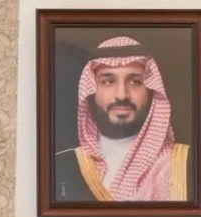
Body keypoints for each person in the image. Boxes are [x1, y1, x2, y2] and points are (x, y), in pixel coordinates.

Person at [54, 36, 193, 202]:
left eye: (135, 82)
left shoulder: (186, 164)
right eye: (108, 81)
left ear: (151, 90)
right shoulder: (63, 166)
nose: (122, 94)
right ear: (90, 90)